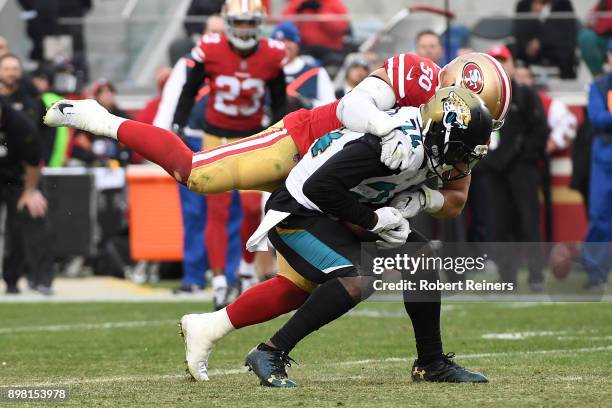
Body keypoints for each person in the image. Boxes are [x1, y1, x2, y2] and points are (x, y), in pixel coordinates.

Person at [43, 52, 510, 378]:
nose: (479, 133)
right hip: (306, 148)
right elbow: (352, 105)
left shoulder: (459, 137)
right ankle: (100, 119)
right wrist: (386, 125)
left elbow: (454, 199)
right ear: (450, 92)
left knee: (304, 287)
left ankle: (208, 328)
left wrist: (413, 203)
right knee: (199, 174)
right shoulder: (415, 76)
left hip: (346, 194)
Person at [235, 87, 493, 387]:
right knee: (360, 278)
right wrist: (374, 220)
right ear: (441, 130)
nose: (461, 162)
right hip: (298, 213)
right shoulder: (396, 143)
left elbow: (446, 200)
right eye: (460, 150)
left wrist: (412, 202)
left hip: (340, 212)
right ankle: (270, 351)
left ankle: (431, 362)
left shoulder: (428, 141)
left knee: (420, 257)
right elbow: (318, 188)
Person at [171, 0, 287, 308]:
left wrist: (282, 133)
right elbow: (189, 88)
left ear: (259, 25)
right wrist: (178, 123)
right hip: (216, 137)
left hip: (252, 138)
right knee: (217, 210)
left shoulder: (273, 54)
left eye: (251, 23)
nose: (246, 29)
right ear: (229, 23)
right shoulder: (209, 48)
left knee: (252, 209)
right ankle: (221, 279)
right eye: (241, 22)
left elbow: (279, 101)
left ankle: (246, 272)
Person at [481, 45, 548, 290]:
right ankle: (506, 277)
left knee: (529, 222)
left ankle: (536, 275)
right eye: (495, 61)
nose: (501, 65)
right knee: (499, 225)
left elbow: (540, 129)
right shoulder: (481, 99)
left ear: (512, 65)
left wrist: (522, 155)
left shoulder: (526, 95)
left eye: (504, 60)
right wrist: (487, 162)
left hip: (522, 170)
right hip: (493, 171)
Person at [1, 98, 53, 295]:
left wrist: (30, 191)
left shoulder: (19, 123)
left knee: (22, 224)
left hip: (18, 178)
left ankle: (24, 279)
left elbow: (34, 160)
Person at [583, 40, 612, 290]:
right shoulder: (599, 86)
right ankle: (595, 272)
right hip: (605, 158)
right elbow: (597, 117)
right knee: (600, 217)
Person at [272, 21, 336, 109]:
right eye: (280, 41)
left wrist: (307, 104)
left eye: (290, 41)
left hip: (304, 121)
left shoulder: (315, 72)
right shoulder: (266, 70)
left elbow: (331, 107)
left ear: (297, 44)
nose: (285, 45)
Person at [71, 79, 131, 166]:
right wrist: (92, 148)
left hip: (116, 157)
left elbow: (128, 136)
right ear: (97, 96)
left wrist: (118, 147)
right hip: (93, 158)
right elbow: (79, 137)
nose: (107, 95)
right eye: (103, 93)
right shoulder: (89, 115)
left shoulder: (121, 115)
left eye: (109, 92)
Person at [513, 0, 577, 78]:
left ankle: (566, 79)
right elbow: (519, 29)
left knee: (566, 51)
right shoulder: (523, 5)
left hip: (555, 47)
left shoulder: (563, 4)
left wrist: (540, 41)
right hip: (528, 46)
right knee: (512, 48)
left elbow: (564, 31)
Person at [282, 0, 349, 68]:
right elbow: (283, 26)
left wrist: (321, 10)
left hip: (329, 50)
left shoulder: (334, 3)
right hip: (303, 49)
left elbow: (340, 28)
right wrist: (298, 10)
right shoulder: (298, 2)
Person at [578, 0, 612, 77]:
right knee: (586, 38)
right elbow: (590, 18)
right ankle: (599, 78)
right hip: (603, 35)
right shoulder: (604, 2)